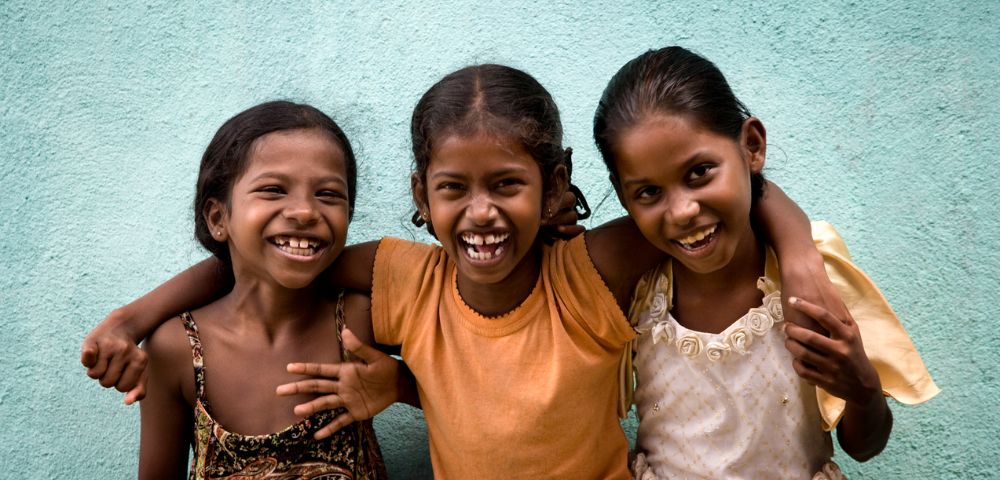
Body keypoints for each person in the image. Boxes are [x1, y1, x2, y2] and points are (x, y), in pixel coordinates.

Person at [83, 65, 832, 479]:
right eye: (453, 188)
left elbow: (724, 199)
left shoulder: (588, 273)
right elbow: (266, 263)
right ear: (421, 195)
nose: (481, 213)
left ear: (554, 187)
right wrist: (135, 319)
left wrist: (798, 253)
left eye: (507, 184)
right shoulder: (407, 281)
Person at [592, 46, 940, 479]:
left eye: (700, 172)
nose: (681, 211)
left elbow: (865, 446)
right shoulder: (635, 290)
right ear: (623, 195)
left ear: (752, 146)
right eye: (649, 192)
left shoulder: (814, 277)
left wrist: (863, 389)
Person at [133, 100, 387, 478]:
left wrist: (401, 386)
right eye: (273, 190)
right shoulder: (176, 349)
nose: (305, 211)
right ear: (218, 218)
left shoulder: (359, 323)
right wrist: (129, 322)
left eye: (328, 194)